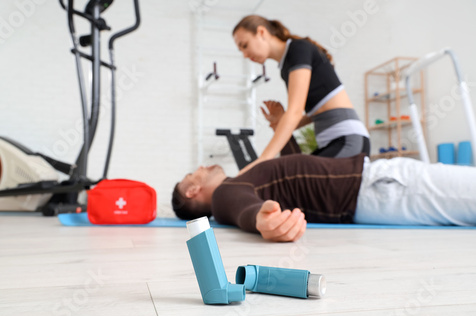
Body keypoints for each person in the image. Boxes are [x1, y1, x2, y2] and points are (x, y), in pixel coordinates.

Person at [172, 153, 476, 242]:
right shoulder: (226, 193)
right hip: (378, 186)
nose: (201, 167)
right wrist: (261, 220)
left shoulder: (238, 182)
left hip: (376, 185)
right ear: (192, 191)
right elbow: (241, 209)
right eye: (193, 174)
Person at [232, 15, 370, 173]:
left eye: (244, 45)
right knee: (294, 182)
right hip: (336, 141)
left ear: (261, 32)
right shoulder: (286, 65)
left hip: (347, 140)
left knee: (297, 183)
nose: (244, 54)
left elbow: (295, 112)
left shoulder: (298, 49)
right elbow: (317, 113)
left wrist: (263, 160)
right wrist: (280, 121)